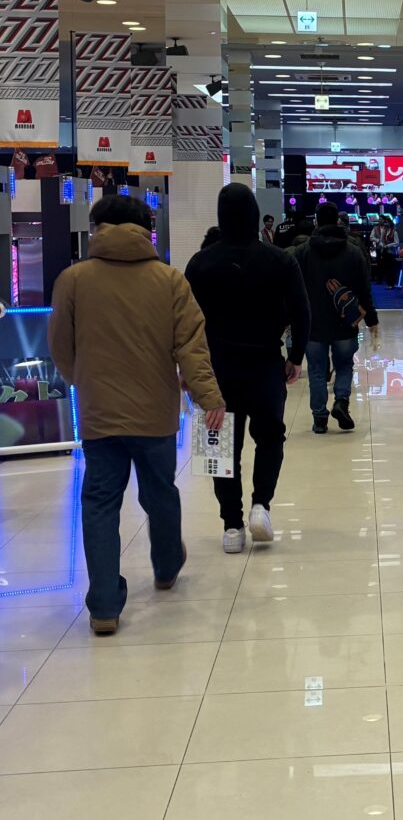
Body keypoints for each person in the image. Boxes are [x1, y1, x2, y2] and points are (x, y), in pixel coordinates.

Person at [48, 195, 225, 635]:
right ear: (146, 229)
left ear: (98, 229)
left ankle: (104, 606)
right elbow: (192, 347)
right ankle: (166, 565)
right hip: (155, 412)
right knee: (159, 491)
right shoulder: (169, 280)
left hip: (99, 413)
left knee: (100, 503)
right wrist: (210, 399)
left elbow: (60, 347)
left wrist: (84, 381)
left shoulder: (73, 280)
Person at [186, 185, 310, 554]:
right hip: (265, 364)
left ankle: (231, 526)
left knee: (220, 447)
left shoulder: (199, 264)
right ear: (255, 214)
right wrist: (295, 356)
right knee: (270, 437)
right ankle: (261, 506)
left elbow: (185, 324)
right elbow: (301, 311)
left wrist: (188, 369)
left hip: (216, 370)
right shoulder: (279, 260)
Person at [292, 202, 379, 434]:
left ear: (316, 221)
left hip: (313, 323)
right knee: (344, 363)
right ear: (338, 221)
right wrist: (371, 320)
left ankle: (320, 418)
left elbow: (294, 290)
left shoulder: (302, 252)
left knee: (317, 370)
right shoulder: (353, 251)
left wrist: (290, 319)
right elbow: (364, 289)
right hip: (345, 320)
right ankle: (341, 401)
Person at [370, 216, 399, 286]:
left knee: (392, 268)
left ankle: (392, 283)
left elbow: (397, 243)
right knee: (386, 267)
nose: (385, 224)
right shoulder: (383, 231)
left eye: (387, 222)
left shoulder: (394, 231)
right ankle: (388, 283)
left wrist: (388, 246)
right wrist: (382, 245)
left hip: (392, 252)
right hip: (384, 251)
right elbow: (381, 241)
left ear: (390, 223)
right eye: (385, 222)